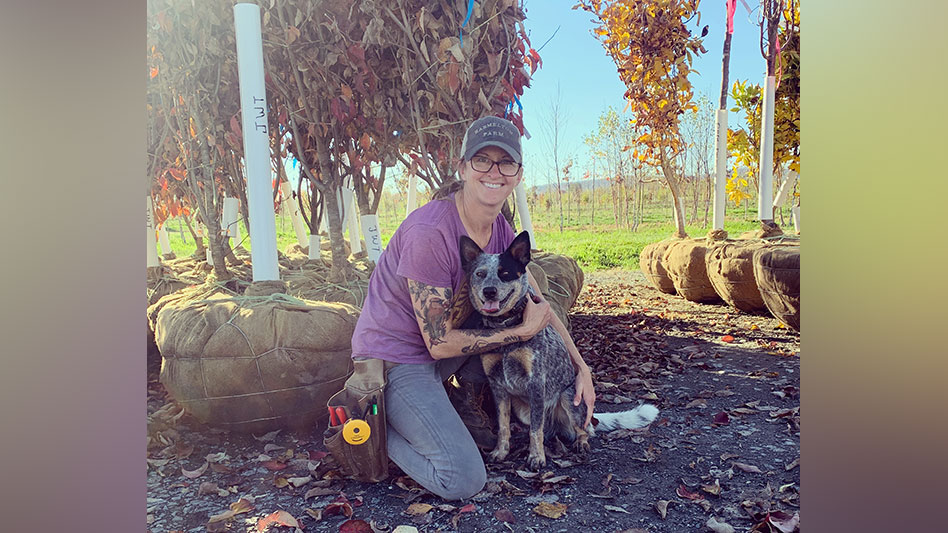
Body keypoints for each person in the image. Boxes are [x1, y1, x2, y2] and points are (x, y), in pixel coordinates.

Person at [349, 116, 596, 500]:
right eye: (482, 160)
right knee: (462, 479)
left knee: (510, 358)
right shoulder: (430, 233)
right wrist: (520, 332)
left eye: (506, 163)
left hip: (441, 354)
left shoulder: (499, 231)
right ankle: (371, 426)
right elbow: (438, 344)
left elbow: (539, 305)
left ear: (517, 174)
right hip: (395, 359)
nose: (494, 172)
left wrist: (581, 367)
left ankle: (450, 406)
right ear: (463, 168)